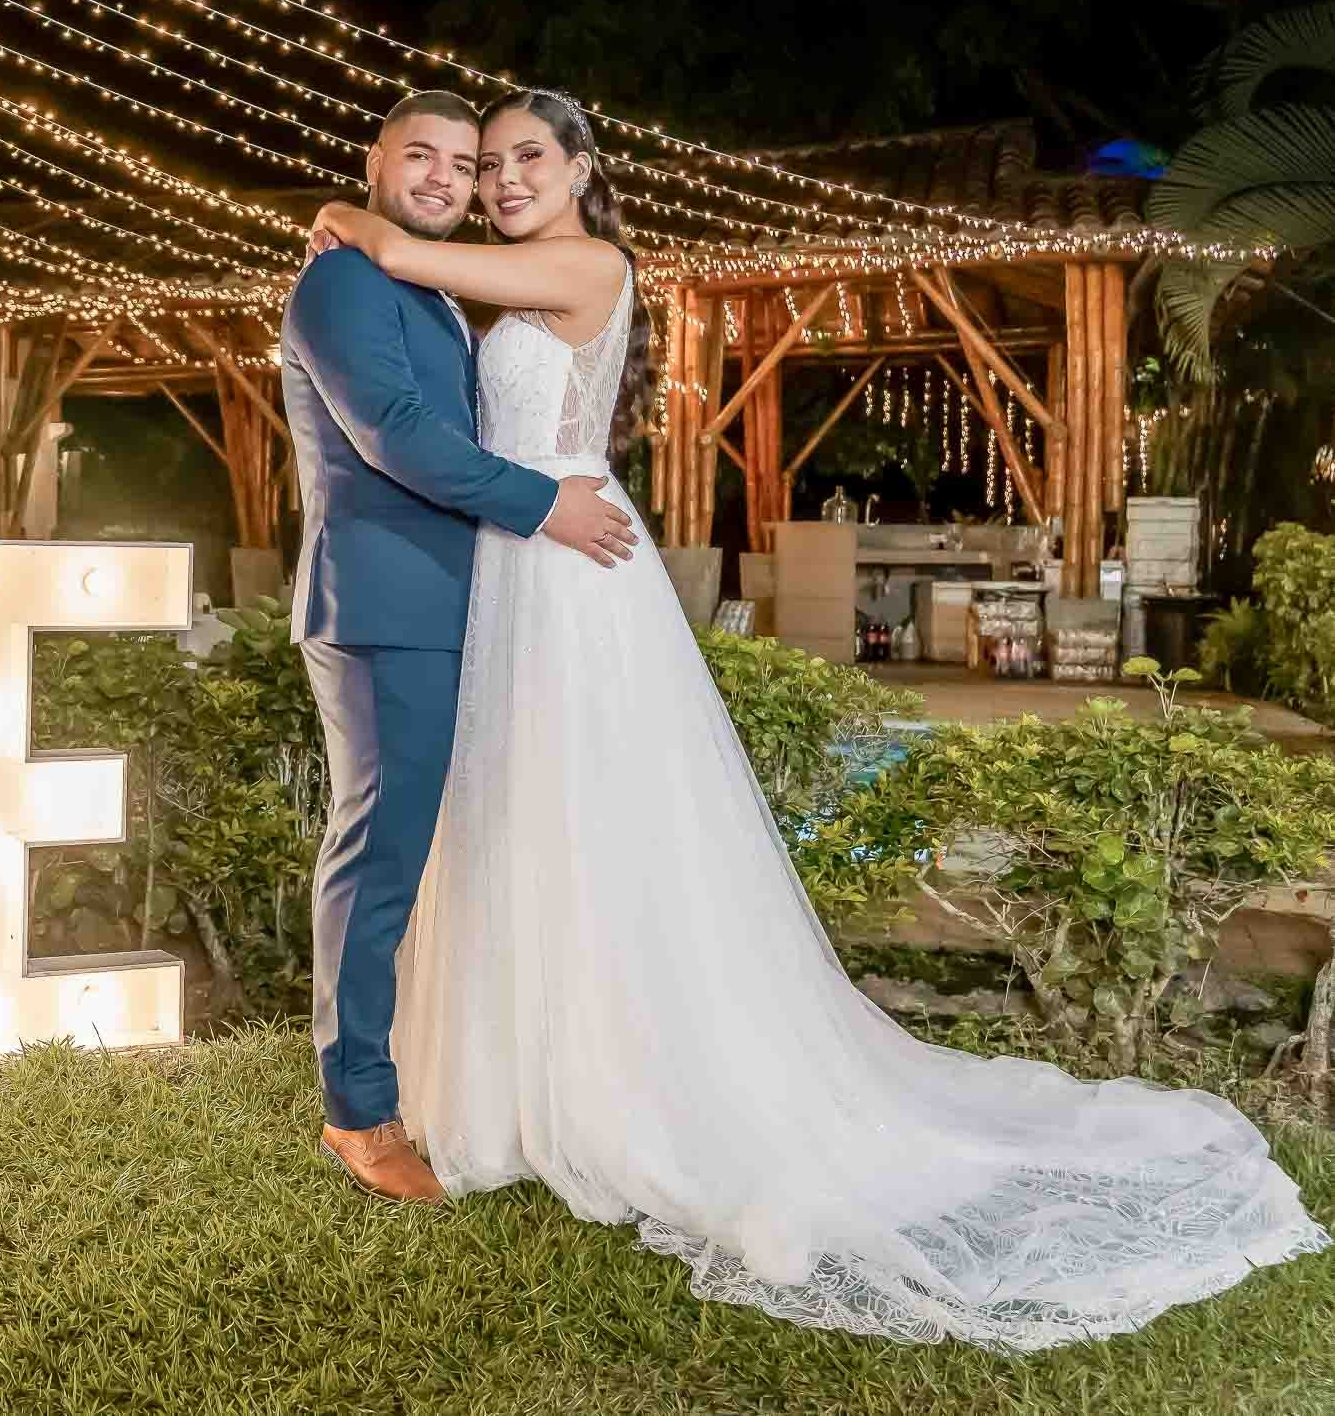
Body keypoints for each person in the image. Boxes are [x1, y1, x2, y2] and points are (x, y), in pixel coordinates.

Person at [303, 86, 1329, 1352]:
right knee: (525, 820)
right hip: (512, 564)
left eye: (520, 157)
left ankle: (616, 1084)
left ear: (578, 168)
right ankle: (521, 1073)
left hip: (559, 551)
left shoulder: (576, 260)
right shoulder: (490, 281)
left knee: (583, 817)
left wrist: (342, 203)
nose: (498, 179)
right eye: (478, 162)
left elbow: (399, 250)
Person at [278, 89, 635, 1206]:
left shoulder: (418, 282)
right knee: (379, 860)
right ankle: (358, 1112)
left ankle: (507, 1075)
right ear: (378, 159)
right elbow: (396, 437)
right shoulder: (346, 276)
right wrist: (540, 504)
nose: (450, 177)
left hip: (469, 600)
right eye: (422, 157)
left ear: (574, 169)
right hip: (388, 605)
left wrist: (356, 210)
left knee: (473, 852)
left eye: (465, 161)